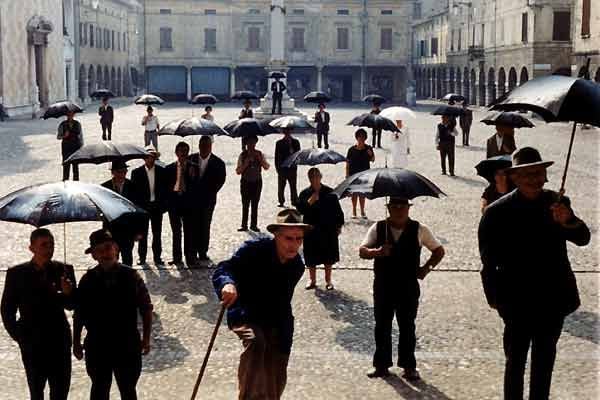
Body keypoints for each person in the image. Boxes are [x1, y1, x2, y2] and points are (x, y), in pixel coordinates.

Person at [478, 147, 590, 400]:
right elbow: (488, 261)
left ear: (546, 176)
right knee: (515, 361)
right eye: (527, 174)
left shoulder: (558, 203)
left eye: (539, 173)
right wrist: (494, 298)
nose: (534, 179)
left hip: (553, 298)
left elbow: (583, 238)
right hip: (515, 300)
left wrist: (569, 220)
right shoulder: (496, 212)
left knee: (545, 360)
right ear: (514, 177)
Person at [213, 209, 311, 400]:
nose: (294, 245)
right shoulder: (254, 249)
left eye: (299, 239)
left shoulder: (296, 265)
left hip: (277, 317)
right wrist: (228, 283)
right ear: (276, 236)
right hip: (244, 311)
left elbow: (282, 301)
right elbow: (224, 268)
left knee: (277, 366)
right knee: (257, 343)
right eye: (289, 239)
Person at [359, 197, 445, 381]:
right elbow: (362, 250)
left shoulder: (420, 229)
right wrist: (378, 252)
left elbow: (438, 251)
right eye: (394, 206)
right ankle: (381, 365)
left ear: (408, 208)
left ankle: (409, 366)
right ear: (388, 208)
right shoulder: (378, 227)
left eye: (402, 206)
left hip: (408, 287)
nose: (399, 210)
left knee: (407, 327)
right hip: (383, 286)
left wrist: (425, 269)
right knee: (382, 326)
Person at [73, 229, 153, 400]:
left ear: (116, 249)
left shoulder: (132, 276)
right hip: (97, 345)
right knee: (99, 390)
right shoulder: (87, 280)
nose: (105, 253)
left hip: (127, 343)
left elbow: (146, 308)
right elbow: (79, 312)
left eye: (108, 248)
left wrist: (146, 338)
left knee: (128, 390)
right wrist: (76, 341)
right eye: (100, 250)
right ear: (94, 255)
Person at [1, 228, 76, 400]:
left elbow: (72, 305)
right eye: (44, 245)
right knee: (36, 391)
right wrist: (20, 336)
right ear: (32, 248)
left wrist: (68, 292)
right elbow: (7, 309)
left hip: (59, 340)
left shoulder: (64, 270)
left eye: (51, 245)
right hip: (32, 343)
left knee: (60, 391)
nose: (49, 249)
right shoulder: (16, 274)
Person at [296, 168, 344, 290]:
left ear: (321, 177)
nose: (315, 179)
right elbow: (300, 211)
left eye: (317, 176)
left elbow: (337, 211)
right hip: (311, 229)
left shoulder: (329, 192)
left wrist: (339, 225)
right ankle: (312, 279)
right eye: (312, 177)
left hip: (328, 228)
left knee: (328, 255)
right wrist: (309, 202)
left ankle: (328, 280)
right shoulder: (304, 193)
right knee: (311, 256)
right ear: (309, 179)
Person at [187, 135, 226, 264]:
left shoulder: (218, 163)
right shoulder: (190, 159)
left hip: (208, 200)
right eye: (202, 145)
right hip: (192, 200)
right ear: (198, 145)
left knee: (205, 225)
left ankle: (203, 251)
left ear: (211, 146)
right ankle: (192, 252)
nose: (204, 148)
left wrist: (207, 192)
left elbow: (220, 181)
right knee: (193, 226)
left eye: (206, 146)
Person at [131, 146, 168, 265]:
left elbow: (164, 190)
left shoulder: (162, 171)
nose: (149, 159)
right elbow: (134, 193)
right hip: (143, 208)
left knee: (157, 233)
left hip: (156, 207)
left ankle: (157, 257)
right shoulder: (136, 173)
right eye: (147, 156)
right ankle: (142, 258)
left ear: (155, 158)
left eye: (151, 156)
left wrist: (163, 206)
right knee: (142, 234)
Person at [101, 160, 139, 266]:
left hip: (128, 231)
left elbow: (138, 211)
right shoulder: (104, 187)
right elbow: (102, 211)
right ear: (113, 172)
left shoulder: (133, 186)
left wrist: (138, 231)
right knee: (112, 259)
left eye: (124, 172)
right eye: (119, 172)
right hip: (112, 231)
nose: (122, 174)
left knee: (127, 259)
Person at [165, 141, 195, 266]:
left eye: (185, 151)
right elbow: (166, 187)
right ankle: (177, 258)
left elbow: (196, 186)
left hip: (188, 203)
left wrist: (192, 175)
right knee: (176, 232)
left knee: (189, 232)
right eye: (181, 151)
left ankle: (190, 258)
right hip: (174, 203)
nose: (183, 154)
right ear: (176, 153)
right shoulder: (169, 168)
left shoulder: (194, 167)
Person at [236, 135, 270, 232]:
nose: (251, 145)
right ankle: (244, 224)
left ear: (255, 143)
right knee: (245, 203)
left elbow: (267, 167)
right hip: (245, 182)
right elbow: (238, 171)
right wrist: (245, 164)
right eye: (249, 143)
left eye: (253, 143)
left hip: (257, 181)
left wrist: (260, 159)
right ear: (246, 144)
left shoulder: (259, 154)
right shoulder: (242, 155)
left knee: (255, 203)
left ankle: (253, 225)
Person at [346, 128, 375, 218]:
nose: (361, 139)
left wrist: (371, 154)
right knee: (354, 194)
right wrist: (347, 175)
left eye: (363, 137)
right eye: (359, 137)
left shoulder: (368, 148)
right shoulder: (351, 149)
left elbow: (373, 160)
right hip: (353, 174)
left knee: (362, 194)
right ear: (357, 138)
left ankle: (362, 211)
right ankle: (354, 211)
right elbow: (347, 163)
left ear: (365, 138)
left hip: (365, 174)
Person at [275, 128, 301, 207]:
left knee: (293, 186)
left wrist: (291, 148)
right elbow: (277, 157)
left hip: (292, 168)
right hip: (282, 168)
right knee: (281, 186)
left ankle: (294, 200)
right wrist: (278, 169)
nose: (287, 134)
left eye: (288, 132)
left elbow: (298, 155)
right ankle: (281, 201)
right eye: (286, 132)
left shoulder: (295, 142)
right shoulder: (279, 143)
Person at [57, 111, 83, 181]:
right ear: (66, 115)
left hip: (75, 147)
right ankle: (66, 182)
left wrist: (81, 147)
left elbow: (81, 136)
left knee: (75, 168)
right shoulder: (62, 124)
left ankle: (76, 183)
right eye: (68, 114)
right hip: (66, 149)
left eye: (71, 114)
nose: (70, 116)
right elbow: (58, 137)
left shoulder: (77, 124)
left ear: (74, 115)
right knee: (66, 167)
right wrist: (64, 135)